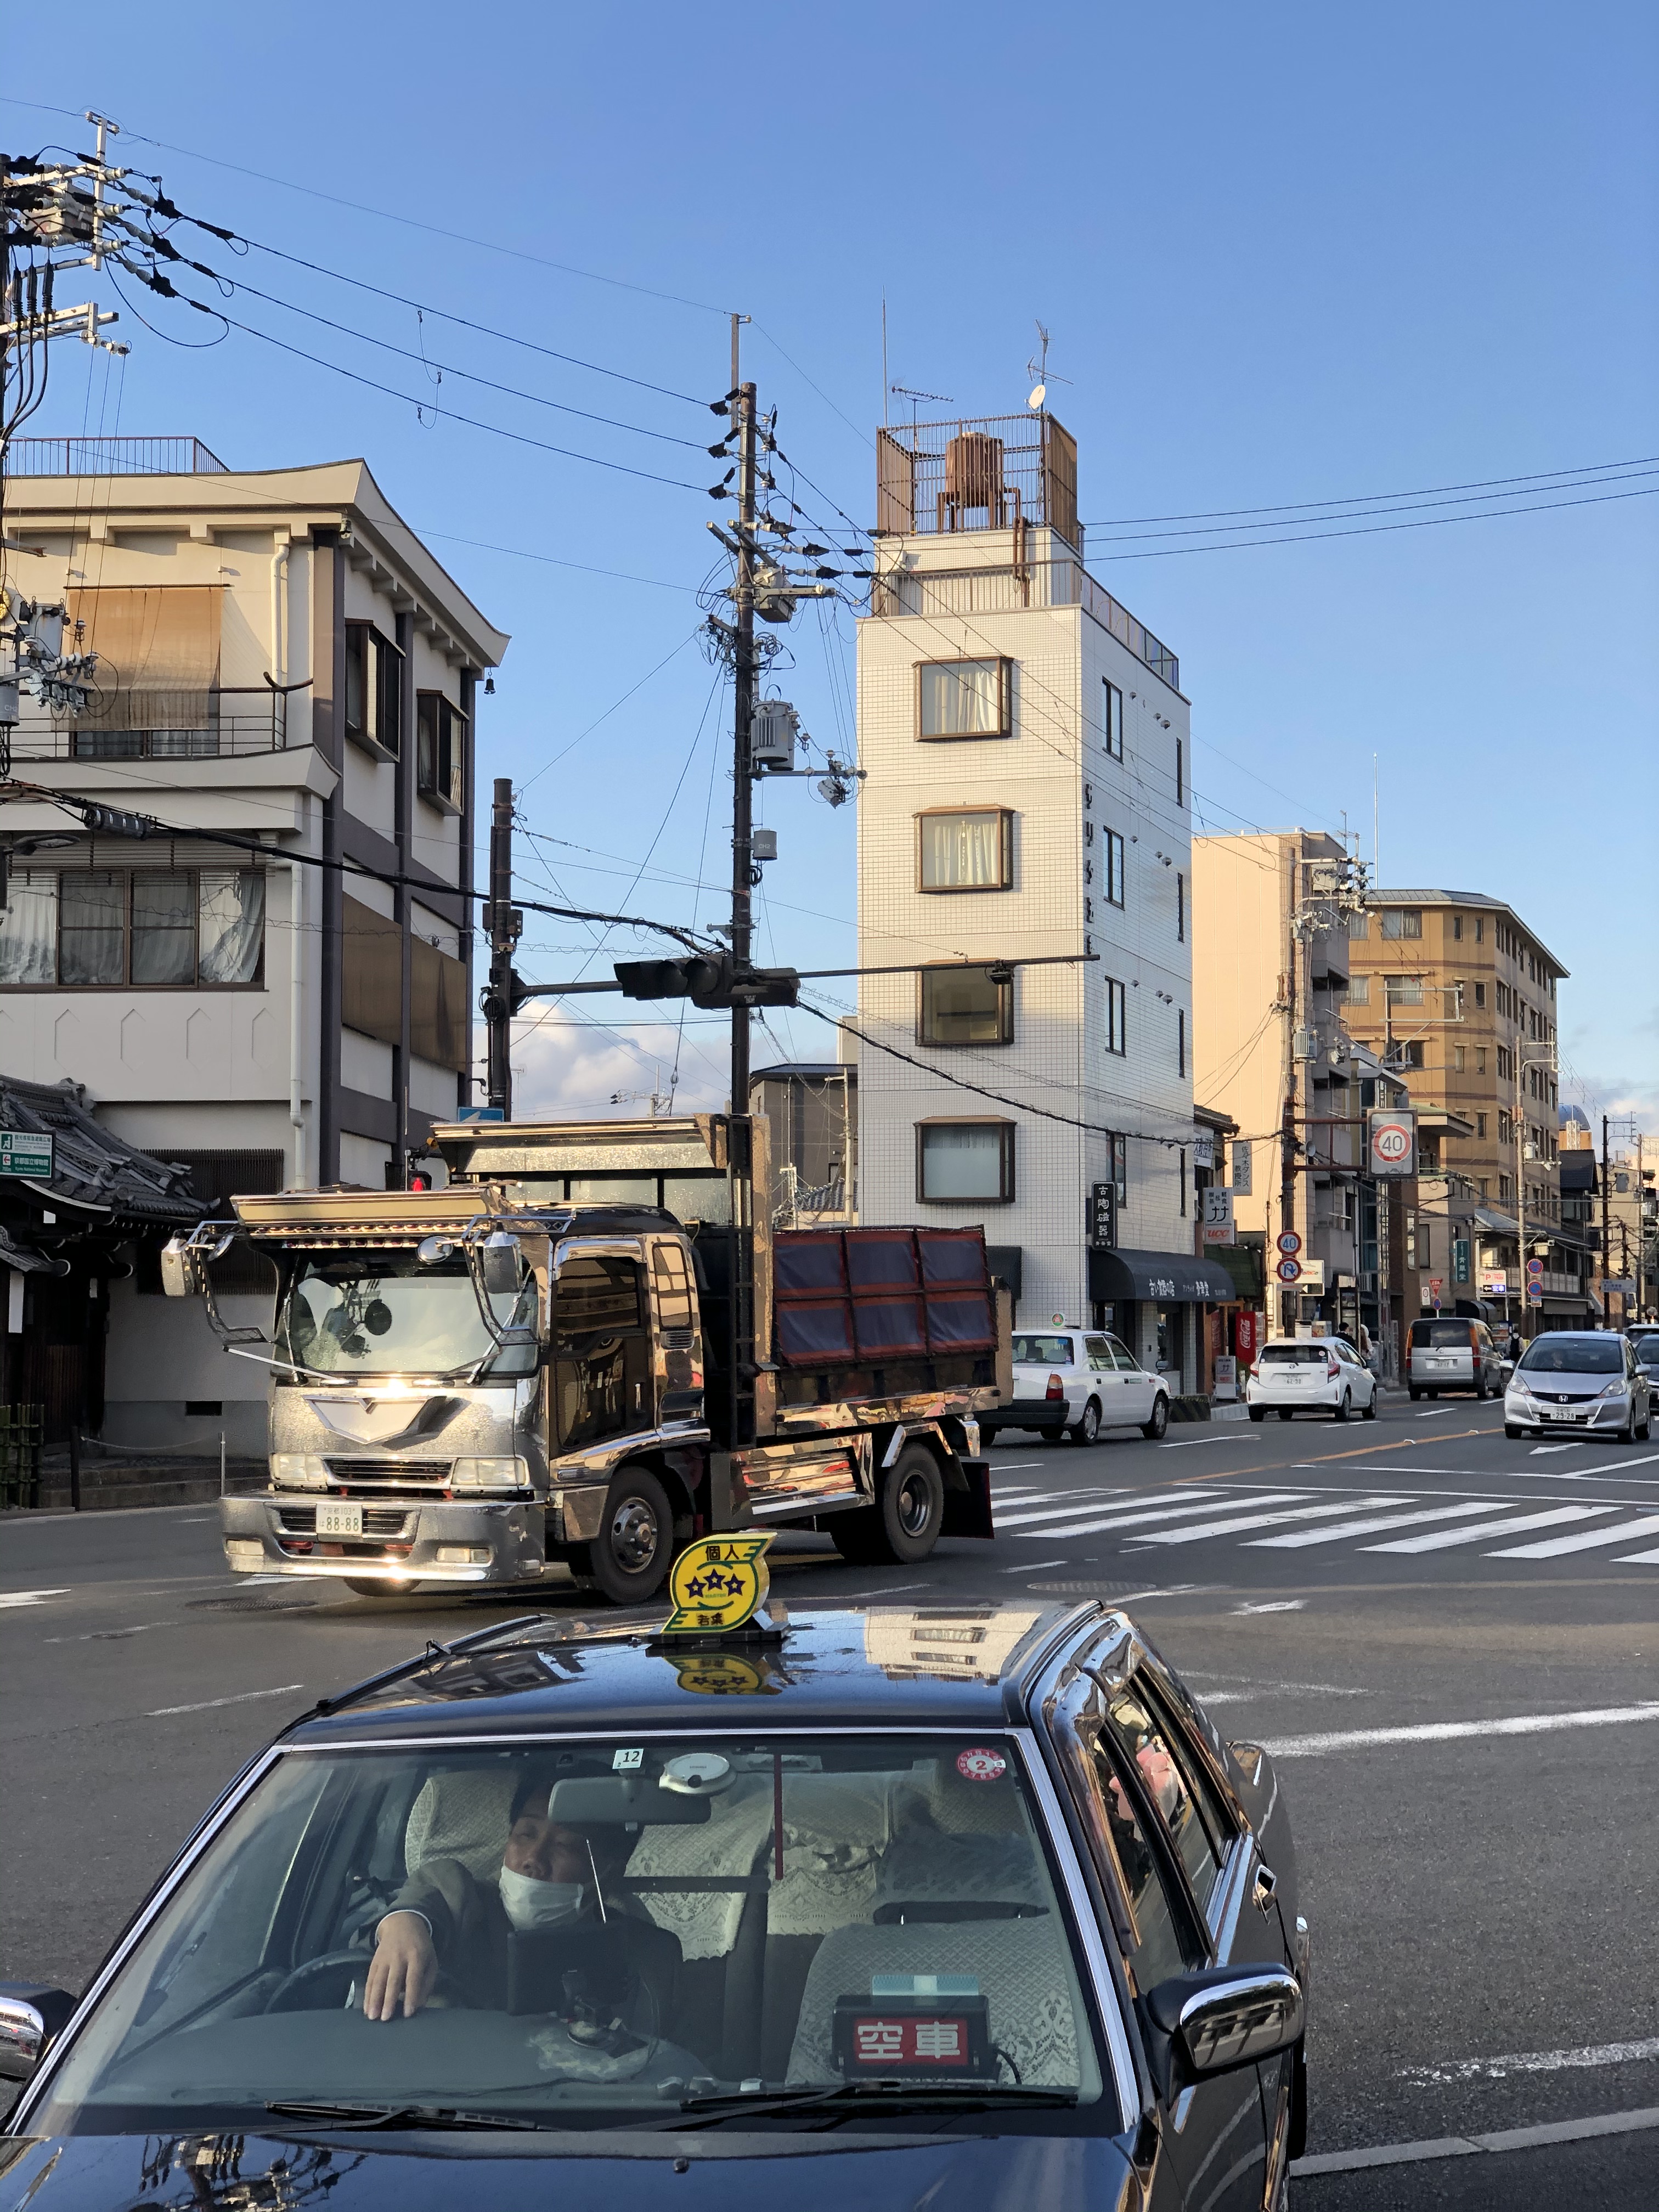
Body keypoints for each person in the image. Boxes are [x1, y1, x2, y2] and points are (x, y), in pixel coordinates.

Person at [364, 1767, 680, 2030]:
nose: (534, 1858)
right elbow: (422, 1899)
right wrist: (404, 1922)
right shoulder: (460, 1897)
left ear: (608, 1872)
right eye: (526, 1834)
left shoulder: (644, 1954)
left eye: (565, 1845)